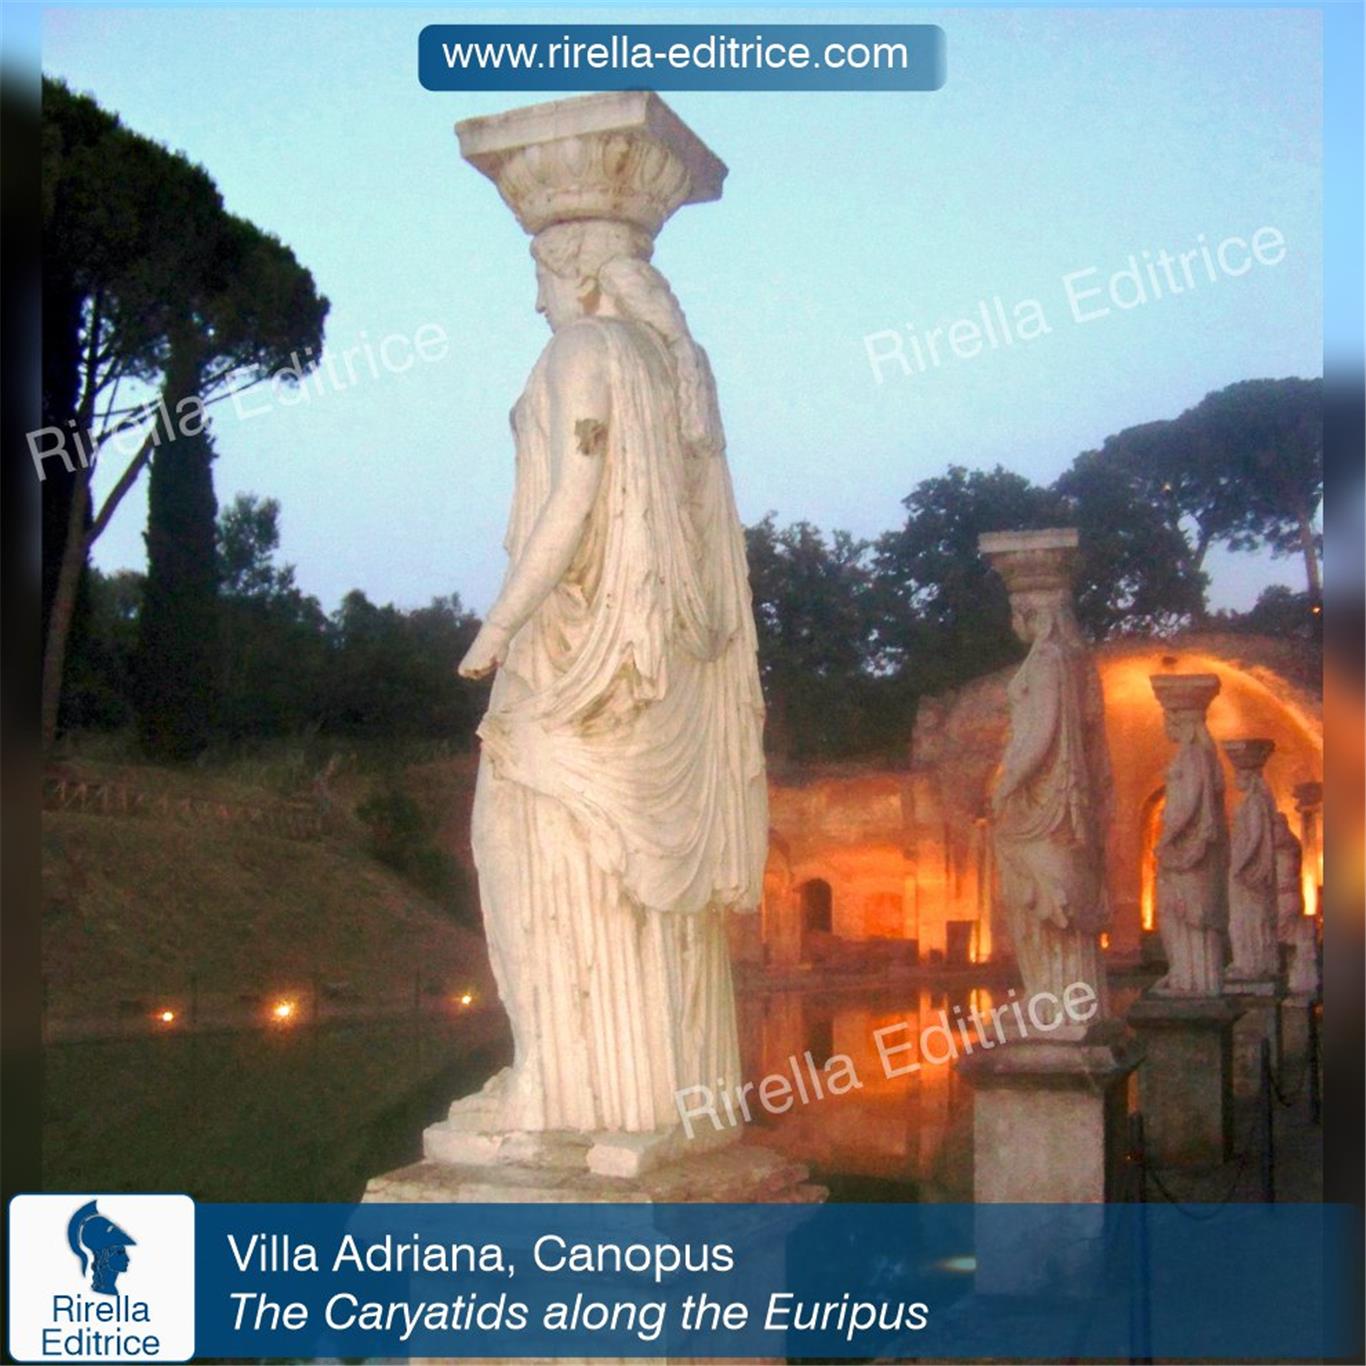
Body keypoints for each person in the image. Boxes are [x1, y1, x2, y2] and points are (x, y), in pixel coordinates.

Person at [455, 219, 767, 1135]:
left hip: (574, 651)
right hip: (654, 665)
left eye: (541, 270)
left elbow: (573, 494)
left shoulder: (579, 350)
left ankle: (556, 1088)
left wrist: (499, 624)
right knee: (630, 885)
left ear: (578, 268)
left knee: (515, 849)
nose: (535, 297)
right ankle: (654, 1095)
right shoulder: (672, 367)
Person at [991, 581, 1113, 1023]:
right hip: (1045, 794)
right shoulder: (1064, 659)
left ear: (1033, 613)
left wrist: (1009, 781)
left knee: (1038, 890)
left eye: (1016, 612)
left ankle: (1054, 999)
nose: (1013, 622)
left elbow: (1042, 730)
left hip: (1041, 797)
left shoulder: (1047, 660)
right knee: (1043, 888)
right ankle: (1053, 995)